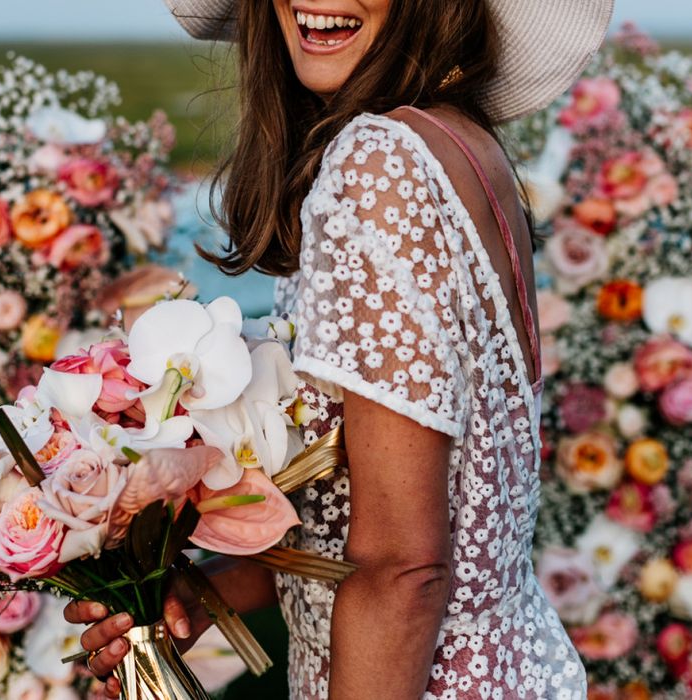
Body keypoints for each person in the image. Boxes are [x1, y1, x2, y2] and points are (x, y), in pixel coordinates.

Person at [66, 1, 614, 697]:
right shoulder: (457, 143)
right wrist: (206, 589)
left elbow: (405, 568)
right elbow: (386, 520)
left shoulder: (379, 164)